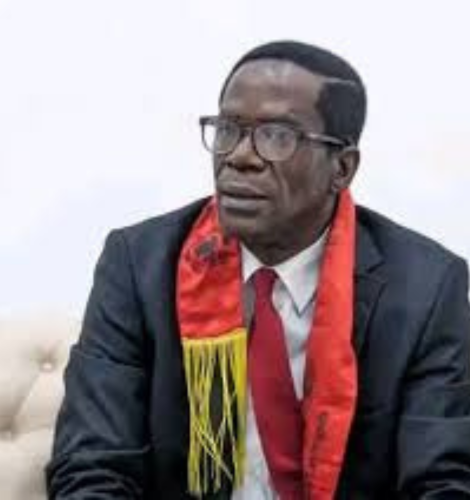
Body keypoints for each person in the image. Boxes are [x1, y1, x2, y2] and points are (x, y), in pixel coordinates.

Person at [47, 40, 470, 499]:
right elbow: (93, 466)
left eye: (277, 136)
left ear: (342, 169)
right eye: (228, 129)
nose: (239, 156)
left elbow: (442, 482)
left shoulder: (427, 288)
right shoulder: (139, 265)